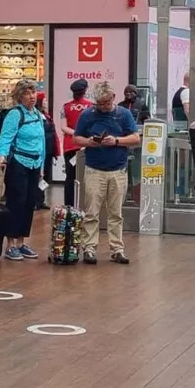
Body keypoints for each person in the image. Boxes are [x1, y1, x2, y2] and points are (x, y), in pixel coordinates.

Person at [72, 81, 140, 264]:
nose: (103, 107)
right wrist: (89, 142)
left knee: (116, 213)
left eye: (107, 103)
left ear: (114, 98)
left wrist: (117, 141)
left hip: (118, 169)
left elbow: (135, 138)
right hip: (94, 169)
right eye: (100, 103)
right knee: (92, 212)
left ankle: (117, 248)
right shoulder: (87, 115)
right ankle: (89, 248)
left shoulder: (124, 114)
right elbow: (76, 137)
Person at [0, 80, 47, 261]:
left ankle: (22, 242)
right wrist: (2, 155)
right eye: (27, 93)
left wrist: (42, 165)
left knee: (29, 204)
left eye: (33, 92)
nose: (32, 96)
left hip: (34, 165)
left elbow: (42, 142)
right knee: (15, 203)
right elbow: (5, 137)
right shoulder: (14, 115)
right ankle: (10, 245)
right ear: (19, 96)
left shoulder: (38, 115)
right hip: (18, 164)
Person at [59, 79, 93, 209]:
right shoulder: (90, 107)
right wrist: (82, 136)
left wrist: (75, 134)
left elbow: (63, 127)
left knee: (70, 177)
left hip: (70, 146)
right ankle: (85, 206)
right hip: (86, 146)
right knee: (87, 177)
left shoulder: (65, 107)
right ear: (85, 91)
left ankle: (69, 207)